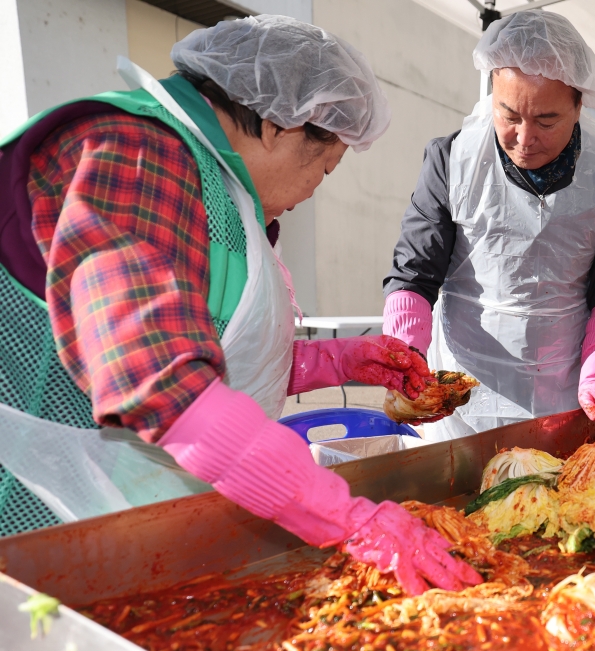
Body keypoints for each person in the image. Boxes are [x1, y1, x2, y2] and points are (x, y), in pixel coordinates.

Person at [0, 15, 481, 595]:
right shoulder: (136, 155)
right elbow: (164, 387)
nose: (311, 192)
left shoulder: (215, 187)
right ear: (282, 125)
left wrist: (338, 362)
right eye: (324, 168)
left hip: (120, 520)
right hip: (33, 529)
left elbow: (209, 352)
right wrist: (352, 521)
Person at [381, 11, 595, 446]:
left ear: (579, 106)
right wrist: (406, 356)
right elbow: (415, 273)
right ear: (492, 92)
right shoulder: (453, 159)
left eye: (547, 121)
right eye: (510, 114)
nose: (524, 137)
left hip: (560, 386)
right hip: (460, 389)